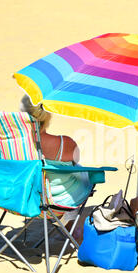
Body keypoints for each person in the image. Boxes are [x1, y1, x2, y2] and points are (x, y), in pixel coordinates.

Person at [20, 95, 91, 242]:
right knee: (81, 173)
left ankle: (67, 222)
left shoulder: (13, 146)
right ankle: (68, 223)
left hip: (20, 199)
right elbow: (75, 161)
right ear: (47, 116)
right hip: (58, 201)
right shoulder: (65, 143)